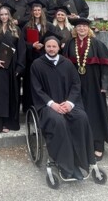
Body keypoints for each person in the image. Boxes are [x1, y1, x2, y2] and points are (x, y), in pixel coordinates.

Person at [31, 36, 96, 180]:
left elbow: (76, 84)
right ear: (44, 47)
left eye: (54, 46)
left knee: (81, 117)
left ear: (59, 47)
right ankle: (66, 166)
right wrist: (52, 104)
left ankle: (80, 161)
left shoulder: (67, 63)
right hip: (48, 106)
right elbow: (37, 89)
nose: (51, 49)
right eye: (48, 46)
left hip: (67, 103)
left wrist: (70, 103)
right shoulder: (37, 65)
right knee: (58, 122)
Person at [63, 18, 108, 161]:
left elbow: (105, 66)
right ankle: (80, 143)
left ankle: (98, 145)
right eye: (79, 26)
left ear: (88, 28)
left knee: (95, 113)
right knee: (77, 112)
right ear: (75, 29)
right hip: (75, 84)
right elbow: (64, 66)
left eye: (84, 26)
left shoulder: (97, 44)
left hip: (94, 83)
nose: (81, 29)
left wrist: (104, 84)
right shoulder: (69, 44)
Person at [20, 0, 58, 112]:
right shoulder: (27, 26)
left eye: (39, 10)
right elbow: (22, 43)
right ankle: (29, 107)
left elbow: (55, 40)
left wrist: (45, 45)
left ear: (42, 11)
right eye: (35, 10)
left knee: (45, 82)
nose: (37, 12)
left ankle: (46, 107)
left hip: (45, 59)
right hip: (31, 60)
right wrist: (32, 45)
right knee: (30, 83)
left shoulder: (49, 26)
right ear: (32, 12)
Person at [0, 5, 25, 133]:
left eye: (6, 14)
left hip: (13, 67)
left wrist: (19, 67)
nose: (4, 17)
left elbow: (21, 49)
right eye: (1, 14)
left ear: (9, 16)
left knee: (13, 95)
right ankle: (1, 123)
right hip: (0, 67)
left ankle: (11, 122)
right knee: (1, 95)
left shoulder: (16, 30)